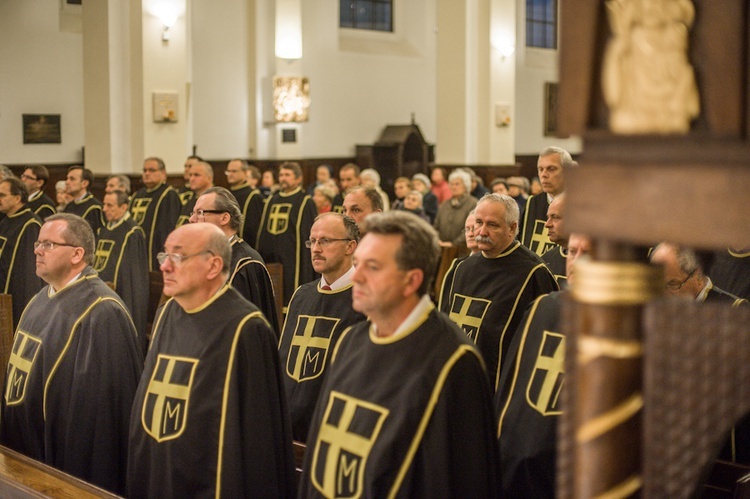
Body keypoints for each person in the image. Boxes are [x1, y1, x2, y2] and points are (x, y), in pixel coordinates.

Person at [299, 211, 500, 497]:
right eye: (357, 264)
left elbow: (460, 479)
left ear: (411, 280)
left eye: (373, 267)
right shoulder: (351, 341)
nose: (357, 276)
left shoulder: (453, 362)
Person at [127, 223, 295, 498]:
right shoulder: (169, 312)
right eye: (163, 256)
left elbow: (258, 437)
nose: (165, 267)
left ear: (213, 266)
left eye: (177, 257)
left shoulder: (246, 327)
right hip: (161, 474)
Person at [1, 213, 142, 495]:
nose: (37, 250)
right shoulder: (40, 299)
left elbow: (99, 416)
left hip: (64, 466)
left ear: (77, 254)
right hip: (23, 451)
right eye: (38, 244)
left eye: (49, 244)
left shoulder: (101, 311)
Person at [494, 233, 592, 498]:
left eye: (589, 255)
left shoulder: (632, 322)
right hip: (521, 461)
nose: (576, 263)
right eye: (572, 253)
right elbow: (513, 384)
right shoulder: (542, 308)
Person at [439, 193, 558, 389]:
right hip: (457, 381)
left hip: (501, 388)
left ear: (512, 228)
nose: (482, 231)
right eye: (479, 222)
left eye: (492, 225)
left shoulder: (533, 273)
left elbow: (542, 343)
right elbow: (444, 328)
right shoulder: (461, 269)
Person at [278, 212, 365, 442]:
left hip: (333, 428)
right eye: (312, 241)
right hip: (288, 426)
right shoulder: (301, 295)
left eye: (325, 241)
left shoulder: (366, 299)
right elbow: (284, 362)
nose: (315, 248)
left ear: (350, 246)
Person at [190, 186, 280, 335]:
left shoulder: (246, 264)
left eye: (200, 213)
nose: (191, 219)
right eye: (193, 213)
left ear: (224, 218)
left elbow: (250, 330)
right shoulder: (204, 256)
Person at [256, 161, 318, 307]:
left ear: (298, 179)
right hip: (273, 258)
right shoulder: (272, 199)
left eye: (288, 175)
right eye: (282, 175)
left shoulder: (305, 201)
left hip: (294, 258)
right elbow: (263, 232)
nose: (283, 178)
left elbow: (308, 234)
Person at [95, 189, 149, 352]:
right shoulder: (103, 230)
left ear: (124, 207)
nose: (104, 209)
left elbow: (133, 276)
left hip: (122, 295)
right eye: (104, 204)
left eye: (110, 205)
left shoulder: (132, 232)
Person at [0, 177, 43, 327]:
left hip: (16, 299)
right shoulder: (6, 220)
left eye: (2, 195)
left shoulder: (30, 224)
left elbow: (29, 272)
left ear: (18, 198)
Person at [650, 242, 748, 306]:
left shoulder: (734, 308)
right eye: (659, 285)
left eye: (673, 284)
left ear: (698, 277)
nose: (665, 294)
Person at [130, 156, 182, 271]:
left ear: (163, 173)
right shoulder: (137, 195)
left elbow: (168, 228)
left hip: (156, 251)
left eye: (151, 170)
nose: (147, 173)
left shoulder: (168, 195)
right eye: (144, 170)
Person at [520, 147, 574, 256]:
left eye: (551, 169)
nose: (544, 175)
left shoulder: (578, 204)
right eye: (540, 169)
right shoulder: (531, 203)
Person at [433, 169, 477, 248]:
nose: (453, 187)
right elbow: (436, 226)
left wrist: (454, 244)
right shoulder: (444, 204)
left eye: (457, 184)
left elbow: (472, 228)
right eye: (451, 184)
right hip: (442, 248)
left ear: (465, 186)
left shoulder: (473, 203)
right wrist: (438, 240)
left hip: (463, 249)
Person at [225, 158, 264, 247]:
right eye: (228, 171)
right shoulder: (226, 194)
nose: (230, 174)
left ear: (245, 173)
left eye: (234, 171)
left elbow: (254, 229)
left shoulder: (253, 196)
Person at [63, 165, 103, 233]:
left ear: (84, 183)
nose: (67, 182)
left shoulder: (94, 207)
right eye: (67, 178)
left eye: (72, 179)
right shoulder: (70, 205)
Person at [176, 160, 214, 228]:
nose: (192, 179)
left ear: (209, 178)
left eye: (197, 175)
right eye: (190, 175)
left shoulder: (215, 200)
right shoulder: (190, 200)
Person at [541, 193, 568, 287]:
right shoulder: (546, 260)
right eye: (548, 217)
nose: (547, 224)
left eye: (555, 217)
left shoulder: (596, 263)